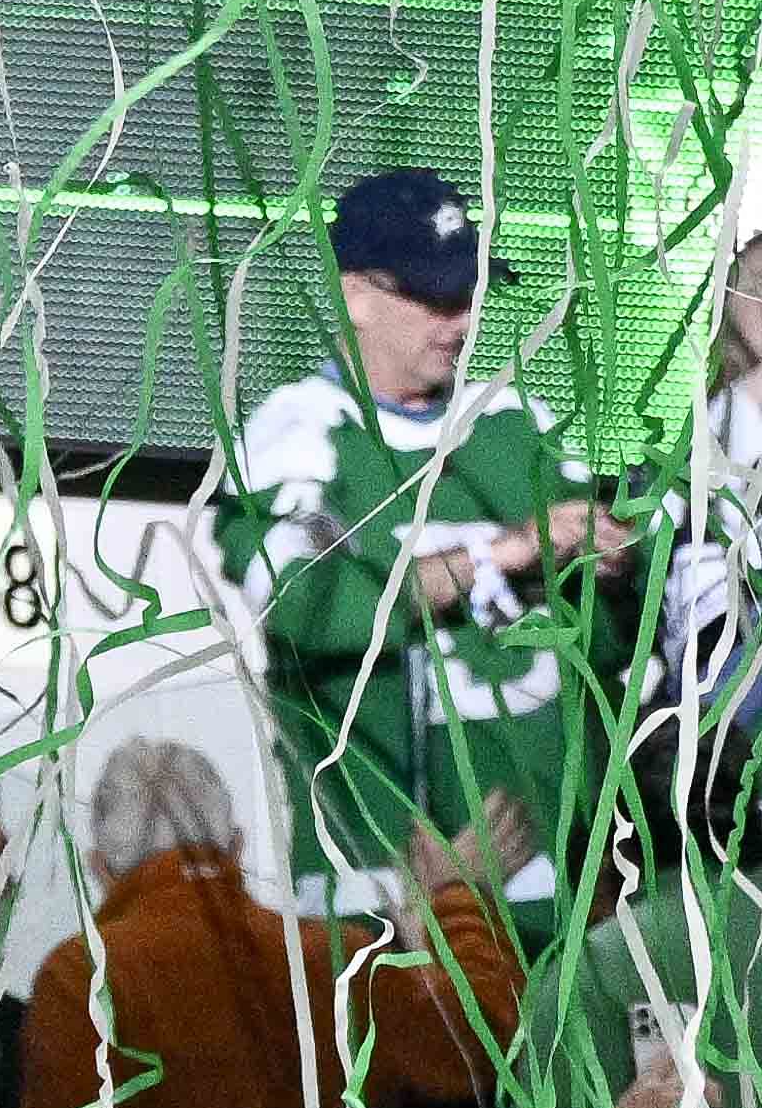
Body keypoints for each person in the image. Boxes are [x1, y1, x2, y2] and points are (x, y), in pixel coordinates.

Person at [213, 168, 613, 929]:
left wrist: (613, 562)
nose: (460, 321)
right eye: (434, 297)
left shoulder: (517, 423)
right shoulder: (299, 432)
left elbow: (604, 648)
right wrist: (498, 555)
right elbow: (307, 602)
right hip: (379, 907)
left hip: (560, 901)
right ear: (354, 295)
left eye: (469, 295)